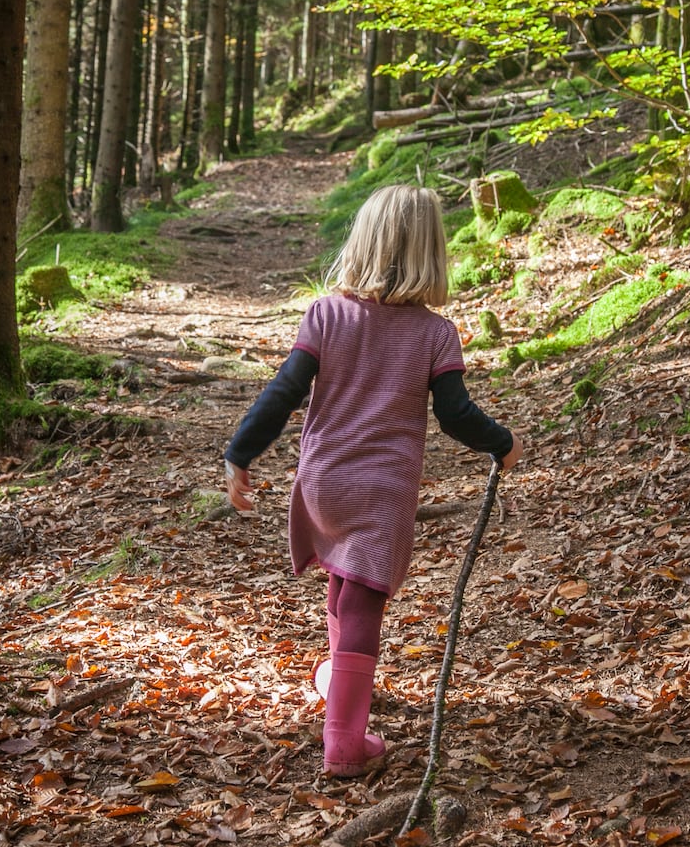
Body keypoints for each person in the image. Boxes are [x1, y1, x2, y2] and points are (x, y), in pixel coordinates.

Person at [224, 184, 523, 778]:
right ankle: (344, 742)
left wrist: (241, 453)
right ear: (430, 254)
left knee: (342, 580)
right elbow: (456, 415)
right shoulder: (436, 333)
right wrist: (503, 443)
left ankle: (339, 678)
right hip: (381, 490)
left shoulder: (327, 314)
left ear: (363, 243)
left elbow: (283, 393)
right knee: (363, 598)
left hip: (322, 479)